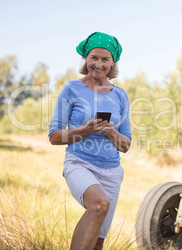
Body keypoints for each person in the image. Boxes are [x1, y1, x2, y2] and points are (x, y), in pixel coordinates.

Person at [49, 32, 131, 250]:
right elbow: (54, 137)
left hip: (112, 172)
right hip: (79, 163)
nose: (98, 64)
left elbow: (126, 145)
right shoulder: (71, 89)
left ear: (112, 63)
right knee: (99, 204)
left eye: (105, 59)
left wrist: (111, 133)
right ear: (86, 59)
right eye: (93, 57)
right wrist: (85, 130)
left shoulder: (120, 96)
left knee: (98, 242)